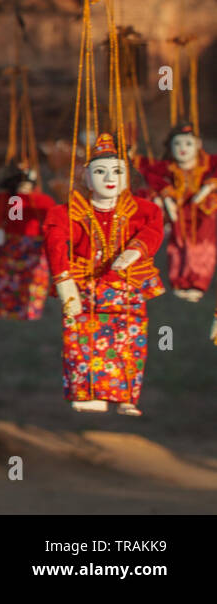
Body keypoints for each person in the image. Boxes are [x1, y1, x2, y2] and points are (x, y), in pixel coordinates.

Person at [43, 133, 165, 416]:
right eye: (100, 171)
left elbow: (154, 232)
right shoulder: (67, 213)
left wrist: (134, 251)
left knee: (128, 342)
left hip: (127, 289)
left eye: (117, 171)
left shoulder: (144, 211)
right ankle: (85, 394)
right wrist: (64, 283)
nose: (109, 178)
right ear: (86, 177)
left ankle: (126, 396)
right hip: (83, 289)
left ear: (127, 176)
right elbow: (55, 243)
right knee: (81, 341)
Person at [134, 122, 217, 302]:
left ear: (198, 145)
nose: (182, 149)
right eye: (177, 144)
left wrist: (208, 188)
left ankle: (197, 283)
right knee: (178, 245)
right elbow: (148, 170)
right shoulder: (169, 166)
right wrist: (166, 194)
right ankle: (179, 282)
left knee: (203, 246)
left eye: (188, 144)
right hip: (179, 211)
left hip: (204, 211)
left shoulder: (209, 162)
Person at [0, 163, 56, 320]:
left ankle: (30, 310)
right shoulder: (12, 200)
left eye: (26, 184)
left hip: (34, 246)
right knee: (8, 279)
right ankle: (7, 309)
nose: (24, 188)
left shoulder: (42, 201)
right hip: (13, 245)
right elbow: (14, 219)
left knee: (33, 281)